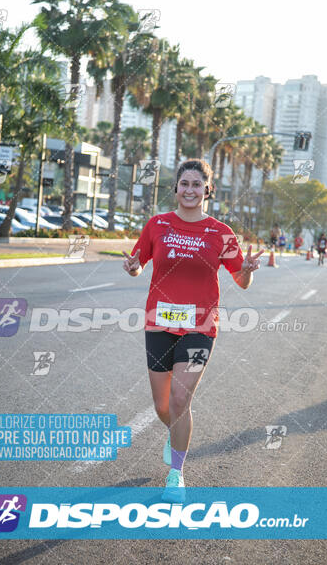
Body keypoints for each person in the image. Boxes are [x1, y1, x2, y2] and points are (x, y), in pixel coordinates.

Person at [122, 159, 264, 502]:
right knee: (162, 405)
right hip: (160, 323)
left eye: (196, 185)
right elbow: (138, 265)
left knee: (181, 399)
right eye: (184, 184)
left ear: (207, 190)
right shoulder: (157, 225)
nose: (189, 190)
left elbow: (242, 282)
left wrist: (246, 269)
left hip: (201, 327)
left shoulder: (221, 233)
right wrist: (131, 268)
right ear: (176, 189)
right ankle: (175, 435)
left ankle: (177, 473)